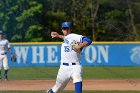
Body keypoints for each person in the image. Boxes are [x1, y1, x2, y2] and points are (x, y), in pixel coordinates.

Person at [45, 22, 92, 93]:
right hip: (63, 68)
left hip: (75, 66)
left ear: (70, 29)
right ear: (62, 30)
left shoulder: (74, 36)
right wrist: (58, 35)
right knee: (56, 89)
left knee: (77, 78)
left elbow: (88, 40)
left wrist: (79, 46)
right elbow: (66, 38)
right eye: (64, 29)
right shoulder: (67, 38)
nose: (66, 30)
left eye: (67, 28)